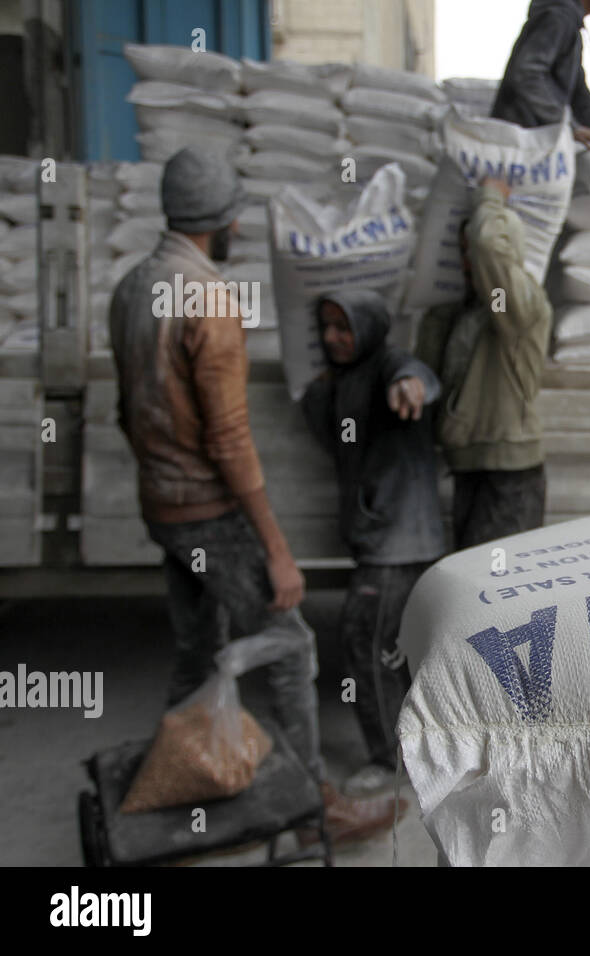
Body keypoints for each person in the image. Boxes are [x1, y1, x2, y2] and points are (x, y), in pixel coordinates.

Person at [109, 147, 402, 843]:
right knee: (291, 645)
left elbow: (128, 408)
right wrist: (277, 551)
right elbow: (230, 440)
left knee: (196, 647)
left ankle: (184, 782)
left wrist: (158, 485)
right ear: (224, 221)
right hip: (209, 515)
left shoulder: (131, 288)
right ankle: (312, 811)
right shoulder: (210, 299)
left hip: (162, 509)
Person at [301, 289, 444, 797]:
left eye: (344, 327)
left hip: (397, 543)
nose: (333, 338)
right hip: (384, 539)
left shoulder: (389, 364)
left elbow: (415, 376)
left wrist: (412, 386)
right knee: (394, 651)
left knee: (366, 644)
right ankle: (417, 751)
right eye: (327, 327)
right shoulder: (342, 382)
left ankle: (390, 761)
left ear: (368, 327)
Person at [415, 178, 553, 549]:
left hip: (510, 473)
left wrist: (491, 198)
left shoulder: (518, 306)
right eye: (461, 253)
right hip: (471, 467)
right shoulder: (464, 313)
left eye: (471, 253)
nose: (467, 263)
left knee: (498, 595)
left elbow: (489, 245)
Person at [492, 0, 590, 150]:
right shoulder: (558, 19)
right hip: (519, 140)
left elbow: (580, 98)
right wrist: (569, 126)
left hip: (533, 141)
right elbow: (527, 75)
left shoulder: (570, 27)